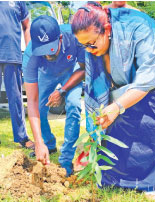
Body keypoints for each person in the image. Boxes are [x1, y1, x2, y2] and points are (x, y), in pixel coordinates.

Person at [71, 2, 155, 197]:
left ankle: (148, 182)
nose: (89, 50)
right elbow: (103, 94)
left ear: (107, 30)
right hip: (139, 76)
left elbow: (146, 80)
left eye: (91, 44)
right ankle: (115, 177)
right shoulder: (96, 46)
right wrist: (92, 138)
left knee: (153, 124)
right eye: (83, 45)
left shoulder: (140, 30)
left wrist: (117, 106)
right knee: (121, 123)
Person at [22, 15, 85, 177]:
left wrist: (63, 91)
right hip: (46, 75)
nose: (47, 56)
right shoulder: (30, 56)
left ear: (61, 38)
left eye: (50, 49)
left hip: (71, 73)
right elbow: (32, 102)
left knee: (74, 105)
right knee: (40, 108)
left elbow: (84, 69)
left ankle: (66, 159)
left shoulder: (74, 36)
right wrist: (38, 143)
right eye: (42, 51)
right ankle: (48, 144)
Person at [0, 1, 34, 149]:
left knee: (16, 98)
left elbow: (27, 26)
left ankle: (22, 137)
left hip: (12, 55)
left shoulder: (19, 1)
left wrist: (30, 52)